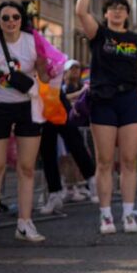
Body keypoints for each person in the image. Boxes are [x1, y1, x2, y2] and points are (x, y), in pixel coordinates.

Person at [0, 1, 65, 245]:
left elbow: (47, 70)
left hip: (28, 107)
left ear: (21, 19)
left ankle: (24, 224)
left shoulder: (33, 41)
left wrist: (49, 70)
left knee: (26, 168)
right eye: (5, 17)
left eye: (15, 17)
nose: (10, 22)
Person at [76, 0, 137, 235]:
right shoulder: (98, 34)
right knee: (104, 161)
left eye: (122, 8)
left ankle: (128, 213)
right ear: (106, 13)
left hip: (129, 100)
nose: (117, 12)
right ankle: (105, 215)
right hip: (103, 101)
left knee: (128, 160)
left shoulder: (136, 40)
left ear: (127, 14)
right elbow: (80, 11)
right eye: (113, 8)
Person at [39, 59, 96, 215]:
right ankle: (54, 193)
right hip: (40, 101)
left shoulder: (41, 48)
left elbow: (57, 61)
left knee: (74, 140)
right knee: (47, 149)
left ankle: (93, 181)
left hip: (55, 96)